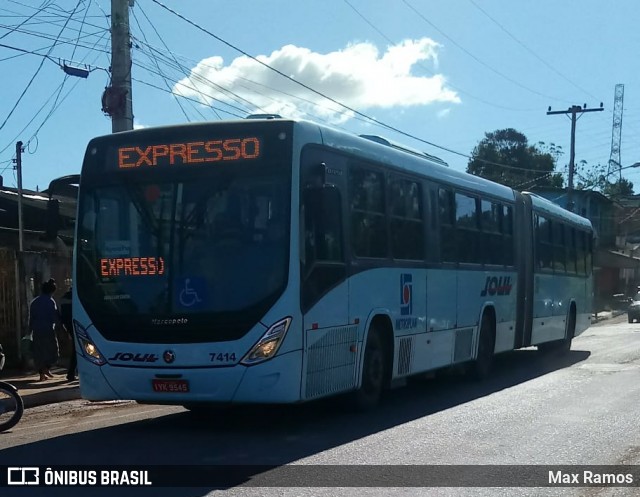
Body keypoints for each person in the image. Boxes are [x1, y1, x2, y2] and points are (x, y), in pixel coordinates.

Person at [28, 278, 61, 382]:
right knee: (53, 352)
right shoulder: (51, 302)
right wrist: (61, 326)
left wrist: (29, 332)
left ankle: (42, 374)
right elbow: (54, 317)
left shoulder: (34, 302)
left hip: (37, 331)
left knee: (39, 353)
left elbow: (31, 318)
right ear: (52, 291)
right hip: (48, 330)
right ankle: (47, 368)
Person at [60, 286, 76, 381]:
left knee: (75, 349)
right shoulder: (76, 298)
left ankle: (71, 373)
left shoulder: (64, 298)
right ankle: (71, 373)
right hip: (78, 326)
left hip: (69, 326)